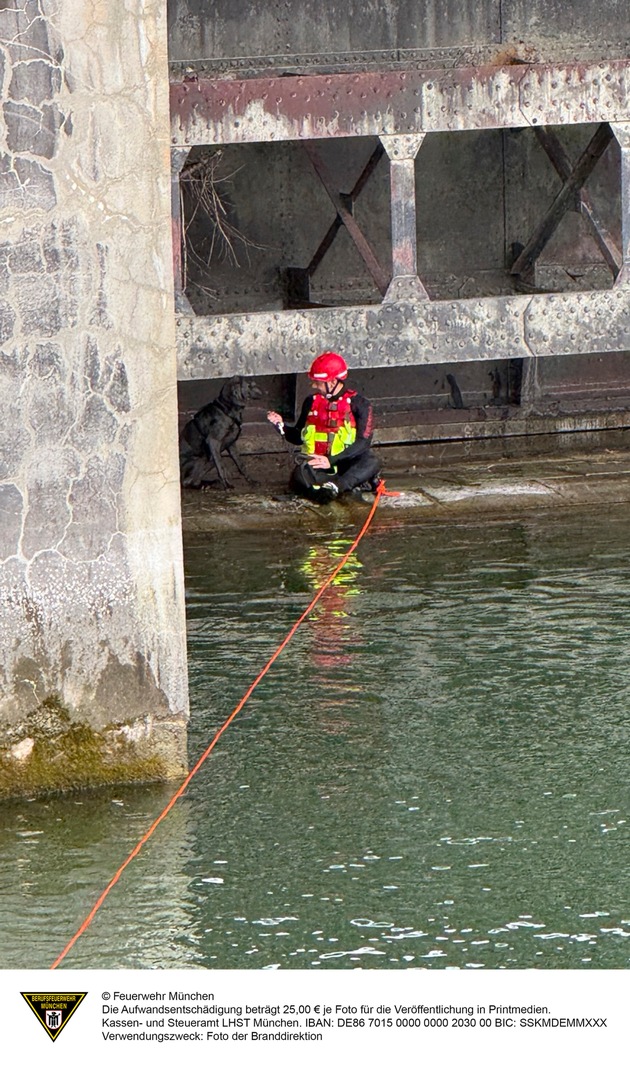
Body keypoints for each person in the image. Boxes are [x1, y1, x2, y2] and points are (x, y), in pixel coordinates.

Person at [267, 352, 381, 503]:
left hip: (345, 462)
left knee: (371, 461)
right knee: (299, 474)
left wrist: (332, 459)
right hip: (319, 464)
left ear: (332, 382)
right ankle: (328, 491)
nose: (314, 386)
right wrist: (281, 426)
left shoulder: (360, 404)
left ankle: (336, 487)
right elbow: (297, 436)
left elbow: (363, 442)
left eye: (318, 382)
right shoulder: (310, 401)